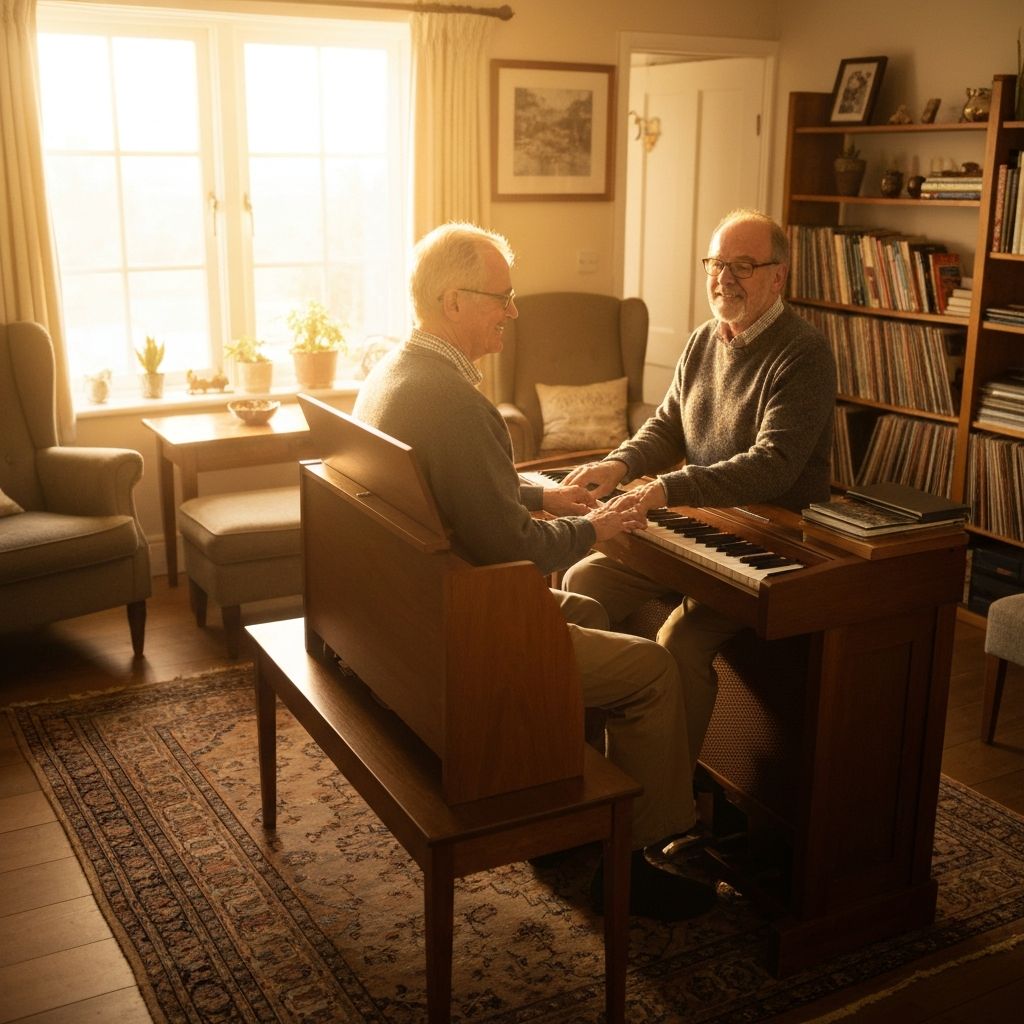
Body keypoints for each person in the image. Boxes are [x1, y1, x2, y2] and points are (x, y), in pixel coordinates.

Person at [354, 221, 715, 922]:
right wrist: (594, 526)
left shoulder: (399, 375)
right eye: (503, 298)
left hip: (419, 616)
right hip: (471, 632)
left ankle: (566, 820)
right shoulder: (457, 402)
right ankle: (636, 862)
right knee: (655, 671)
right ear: (454, 301)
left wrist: (542, 493)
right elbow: (513, 549)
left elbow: (462, 486)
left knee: (585, 613)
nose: (513, 313)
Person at [562, 208, 837, 783]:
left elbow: (773, 467)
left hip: (766, 541)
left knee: (681, 642)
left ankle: (663, 805)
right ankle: (583, 769)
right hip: (697, 523)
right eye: (717, 263)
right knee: (582, 582)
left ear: (778, 276)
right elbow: (668, 427)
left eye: (743, 266)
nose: (724, 279)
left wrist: (665, 487)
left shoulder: (804, 352)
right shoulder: (702, 339)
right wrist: (620, 463)